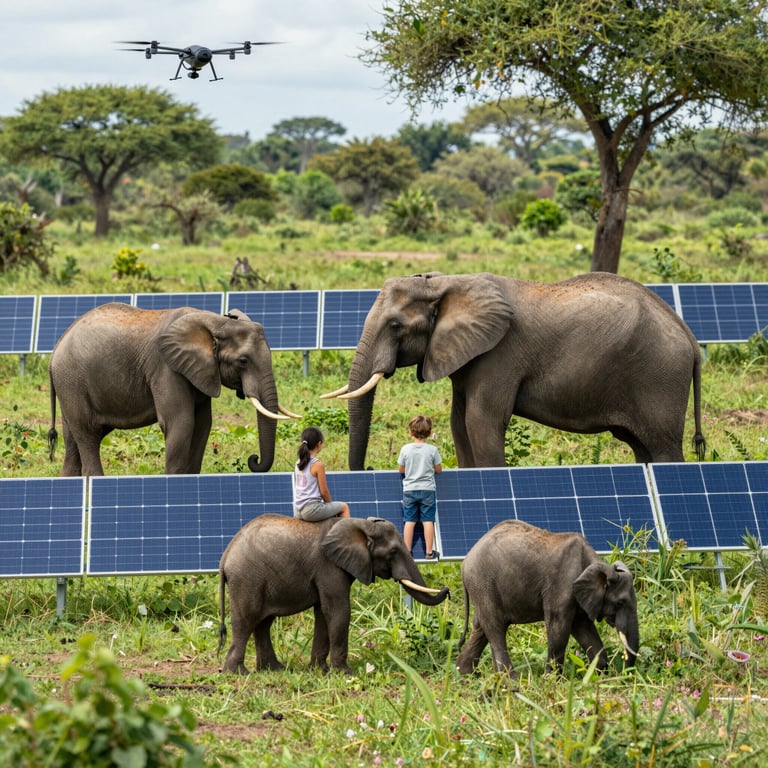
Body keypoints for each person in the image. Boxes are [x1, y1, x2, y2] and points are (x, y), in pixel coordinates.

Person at [397, 415, 442, 560]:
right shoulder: (432, 450)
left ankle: (407, 551)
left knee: (409, 520)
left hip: (409, 489)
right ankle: (429, 552)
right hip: (428, 490)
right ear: (429, 433)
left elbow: (401, 470)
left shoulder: (405, 449)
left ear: (410, 432)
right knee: (427, 520)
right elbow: (438, 469)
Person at [293, 427, 350, 521]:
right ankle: (347, 535)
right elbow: (324, 492)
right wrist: (330, 506)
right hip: (311, 510)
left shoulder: (298, 462)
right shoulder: (318, 464)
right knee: (344, 507)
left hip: (298, 510)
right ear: (319, 444)